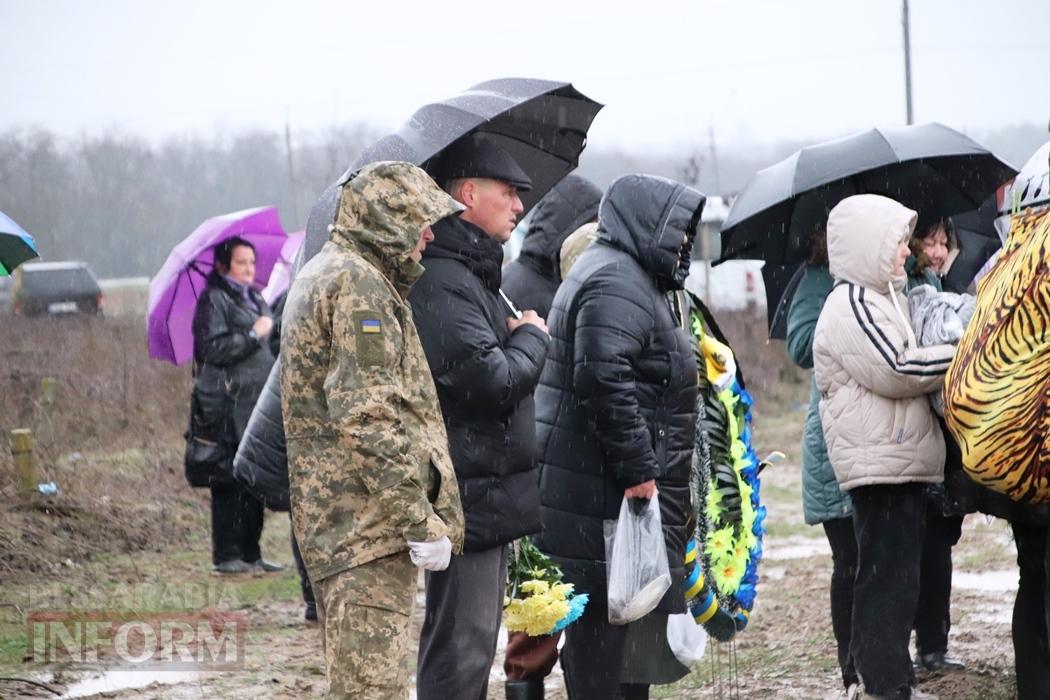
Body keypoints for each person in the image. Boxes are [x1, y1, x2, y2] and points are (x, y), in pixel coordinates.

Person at [280, 160, 465, 699]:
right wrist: (419, 519)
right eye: (419, 219)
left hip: (347, 525)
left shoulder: (337, 272)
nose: (430, 234)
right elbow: (367, 417)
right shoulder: (359, 285)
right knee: (371, 691)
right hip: (363, 530)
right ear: (387, 220)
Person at [534, 173, 704, 699]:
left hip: (600, 502)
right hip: (604, 505)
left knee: (622, 650)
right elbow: (603, 378)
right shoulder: (615, 280)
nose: (682, 243)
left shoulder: (621, 274)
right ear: (646, 224)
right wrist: (638, 473)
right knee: (603, 657)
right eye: (675, 229)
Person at [409, 135, 551, 700]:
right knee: (460, 653)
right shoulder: (444, 282)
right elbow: (492, 382)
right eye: (509, 192)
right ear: (467, 193)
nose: (519, 206)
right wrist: (534, 341)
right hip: (465, 496)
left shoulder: (471, 275)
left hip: (484, 493)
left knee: (472, 646)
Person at [813, 194, 956, 700]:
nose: (905, 252)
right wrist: (959, 354)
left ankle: (894, 680)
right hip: (881, 465)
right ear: (869, 245)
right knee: (884, 583)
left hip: (896, 461)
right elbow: (898, 368)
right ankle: (883, 686)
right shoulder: (852, 303)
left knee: (899, 580)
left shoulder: (881, 298)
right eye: (897, 241)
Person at [501, 176, 601, 700]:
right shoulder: (521, 286)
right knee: (536, 604)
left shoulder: (534, 277)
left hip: (548, 457)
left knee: (542, 599)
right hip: (534, 455)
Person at [785, 227, 858, 695]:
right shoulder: (818, 278)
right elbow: (799, 345)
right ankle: (852, 668)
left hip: (885, 438)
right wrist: (846, 314)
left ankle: (883, 657)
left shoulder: (902, 275)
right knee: (849, 560)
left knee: (884, 559)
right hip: (833, 438)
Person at [190, 236, 282, 575]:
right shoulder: (214, 300)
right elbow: (212, 349)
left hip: (256, 403)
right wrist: (253, 335)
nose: (249, 269)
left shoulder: (256, 297)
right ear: (222, 266)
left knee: (253, 476)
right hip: (226, 405)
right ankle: (227, 555)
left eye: (251, 263)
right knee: (228, 479)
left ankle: (251, 552)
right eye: (241, 263)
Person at [906, 217, 967, 673]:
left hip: (940, 440)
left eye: (945, 242)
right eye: (931, 241)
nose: (940, 250)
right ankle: (908, 649)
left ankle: (934, 644)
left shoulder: (937, 283)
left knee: (939, 545)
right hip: (912, 437)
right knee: (918, 548)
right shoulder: (903, 288)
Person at [501, 173, 602, 318]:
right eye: (592, 224)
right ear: (575, 225)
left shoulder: (516, 275)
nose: (593, 237)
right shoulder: (552, 295)